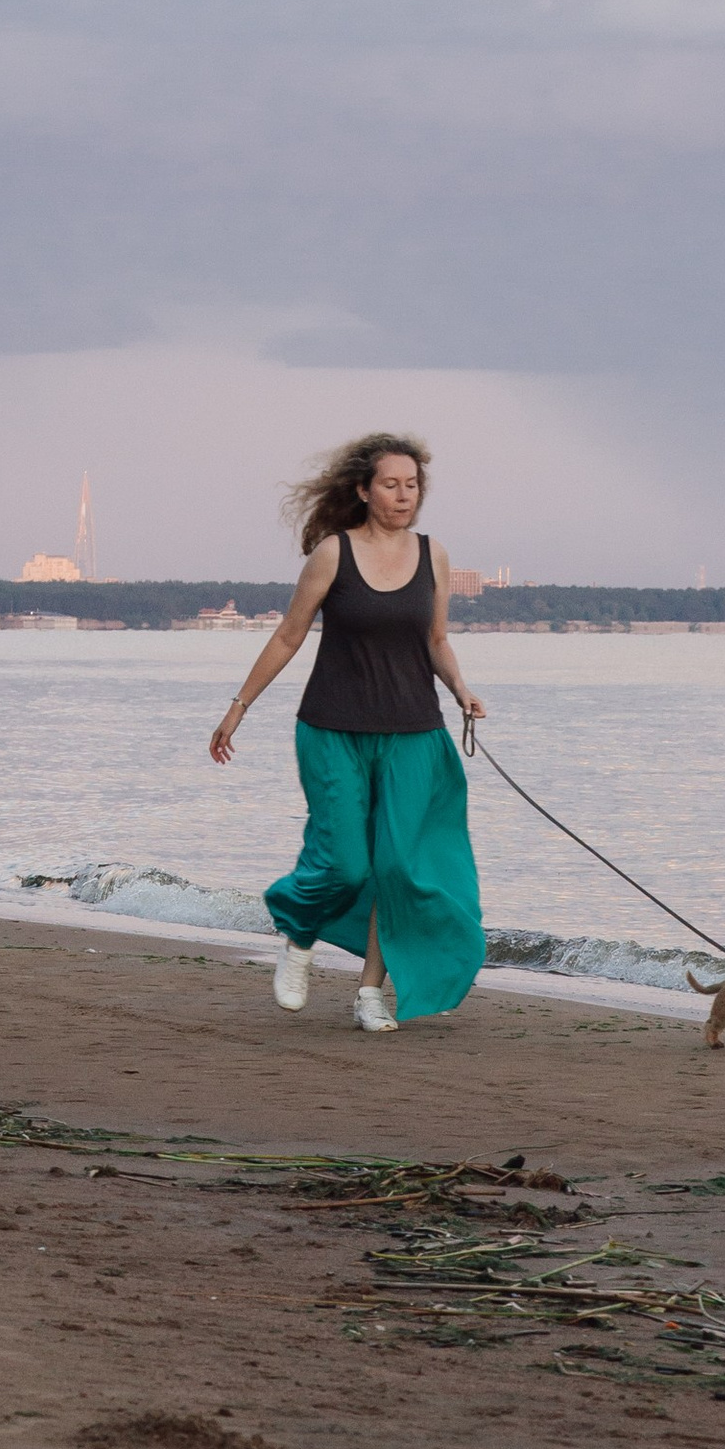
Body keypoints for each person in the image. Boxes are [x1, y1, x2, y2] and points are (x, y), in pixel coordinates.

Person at [208, 431, 486, 1033]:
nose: (403, 495)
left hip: (413, 731)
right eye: (390, 484)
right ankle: (299, 934)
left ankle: (369, 994)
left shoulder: (434, 554)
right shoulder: (334, 553)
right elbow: (288, 635)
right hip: (333, 728)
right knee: (346, 864)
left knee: (400, 867)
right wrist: (239, 707)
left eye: (412, 485)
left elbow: (435, 639)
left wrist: (461, 690)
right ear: (363, 490)